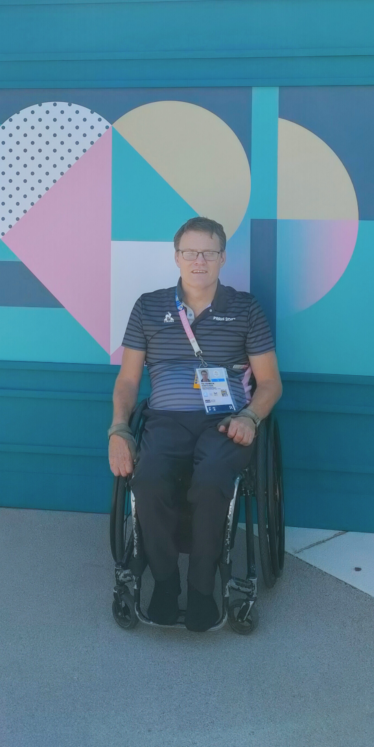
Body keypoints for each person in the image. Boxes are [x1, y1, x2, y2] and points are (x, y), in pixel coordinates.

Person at [108, 216, 282, 632]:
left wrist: (251, 417)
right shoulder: (149, 306)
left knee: (212, 480)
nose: (198, 260)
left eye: (207, 252)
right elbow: (129, 380)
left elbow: (271, 383)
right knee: (147, 480)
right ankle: (165, 583)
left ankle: (203, 585)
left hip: (226, 422)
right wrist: (119, 429)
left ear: (223, 258)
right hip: (165, 419)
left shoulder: (245, 308)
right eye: (189, 252)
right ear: (176, 257)